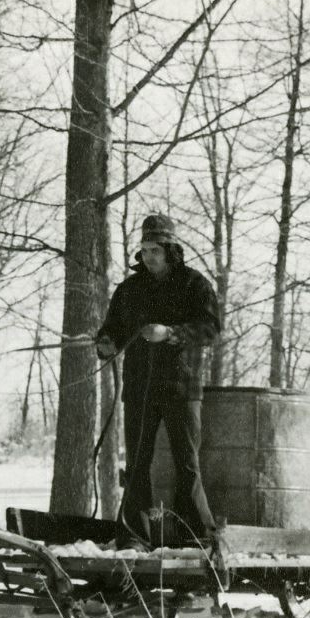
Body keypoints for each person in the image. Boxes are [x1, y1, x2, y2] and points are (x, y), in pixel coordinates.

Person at [93, 213, 221, 547]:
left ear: (170, 250)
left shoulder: (195, 284)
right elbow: (113, 329)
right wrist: (106, 342)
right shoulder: (129, 289)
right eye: (144, 249)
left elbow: (210, 329)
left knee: (187, 463)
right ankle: (135, 536)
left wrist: (172, 333)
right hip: (139, 387)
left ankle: (195, 535)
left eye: (155, 250)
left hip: (182, 387)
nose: (148, 256)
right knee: (137, 463)